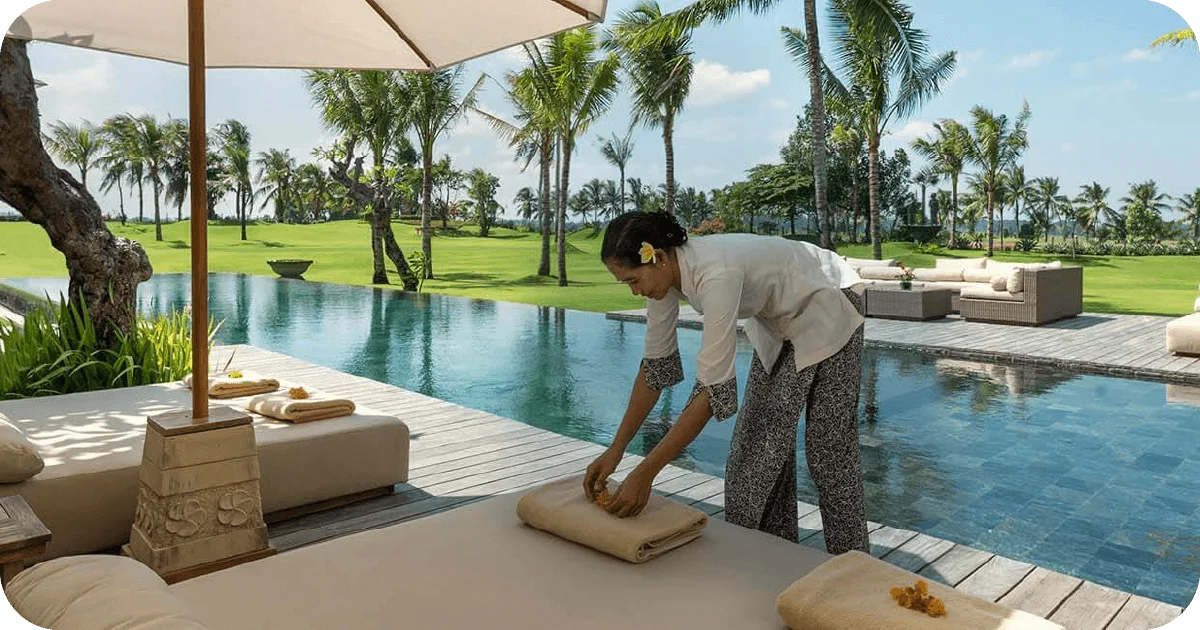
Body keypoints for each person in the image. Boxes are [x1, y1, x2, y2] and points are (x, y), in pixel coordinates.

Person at [584, 211, 870, 555]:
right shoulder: (663, 279)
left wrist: (645, 474)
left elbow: (711, 393)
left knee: (828, 451)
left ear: (657, 257)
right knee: (756, 453)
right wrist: (615, 451)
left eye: (633, 280)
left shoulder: (716, 274)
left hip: (831, 298)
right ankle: (774, 553)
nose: (634, 292)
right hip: (781, 321)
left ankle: (855, 561)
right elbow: (655, 371)